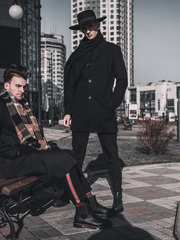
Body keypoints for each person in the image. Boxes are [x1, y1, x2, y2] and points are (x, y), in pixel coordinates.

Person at [0, 64, 112, 229]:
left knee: (69, 155)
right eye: (17, 86)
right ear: (7, 85)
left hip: (26, 156)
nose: (21, 90)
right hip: (11, 162)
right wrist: (13, 151)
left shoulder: (22, 107)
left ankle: (89, 202)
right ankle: (82, 212)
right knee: (64, 159)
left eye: (23, 87)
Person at [63, 10, 128, 213]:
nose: (88, 30)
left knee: (111, 154)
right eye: (84, 27)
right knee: (77, 155)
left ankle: (117, 195)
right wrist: (68, 111)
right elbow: (70, 85)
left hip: (104, 110)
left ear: (98, 25)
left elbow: (122, 80)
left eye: (91, 26)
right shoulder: (77, 54)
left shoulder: (112, 50)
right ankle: (73, 194)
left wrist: (111, 105)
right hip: (81, 111)